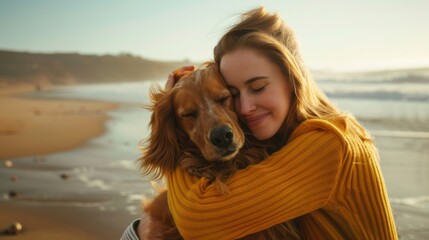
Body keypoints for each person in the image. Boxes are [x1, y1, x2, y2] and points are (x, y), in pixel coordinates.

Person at [122, 6, 398, 240]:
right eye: (234, 93)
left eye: (257, 87)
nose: (244, 108)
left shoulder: (332, 145)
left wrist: (174, 148)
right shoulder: (278, 141)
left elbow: (198, 219)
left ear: (293, 79)